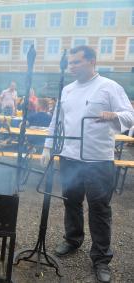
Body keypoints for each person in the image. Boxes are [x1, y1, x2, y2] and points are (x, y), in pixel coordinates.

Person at [41, 45, 134, 283]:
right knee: (71, 201)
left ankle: (101, 259)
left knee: (99, 209)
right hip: (70, 156)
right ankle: (73, 240)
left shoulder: (109, 86)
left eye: (76, 62)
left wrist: (113, 116)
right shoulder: (68, 90)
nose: (71, 66)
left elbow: (130, 116)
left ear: (92, 61)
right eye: (70, 63)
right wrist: (47, 147)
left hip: (98, 160)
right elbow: (55, 121)